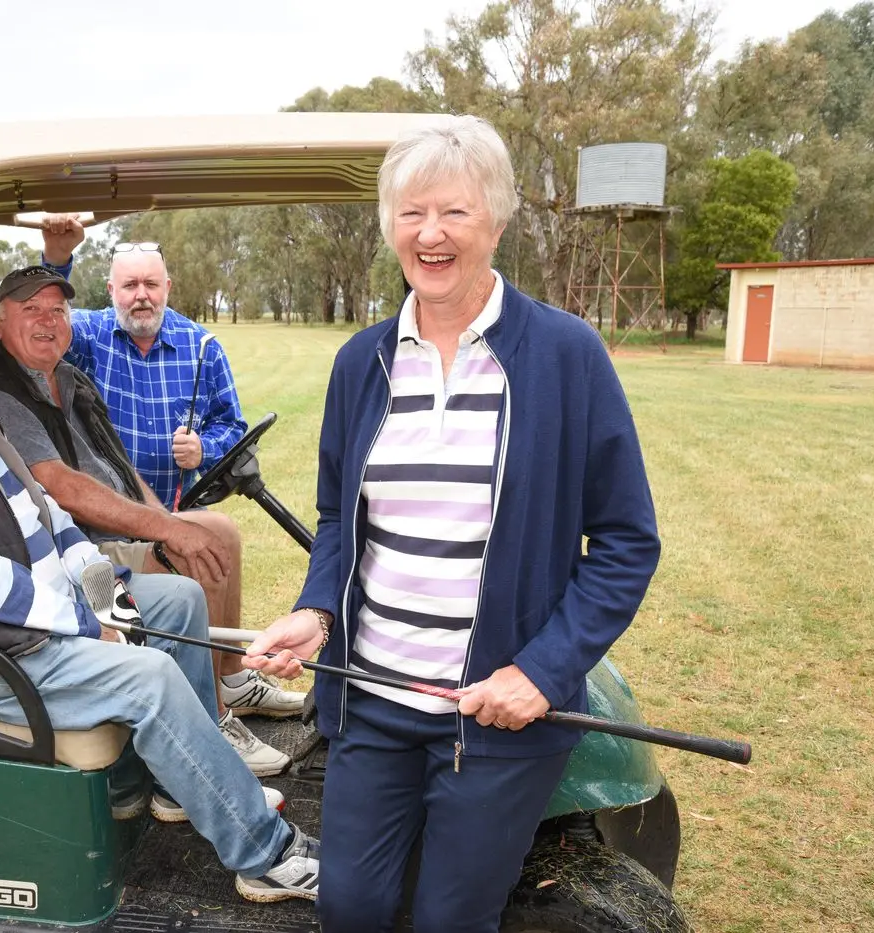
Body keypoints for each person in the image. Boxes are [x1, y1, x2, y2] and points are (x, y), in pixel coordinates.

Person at [242, 116, 661, 932]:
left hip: (494, 721)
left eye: (455, 213)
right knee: (352, 905)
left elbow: (624, 542)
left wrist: (541, 672)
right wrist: (317, 608)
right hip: (373, 698)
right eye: (412, 213)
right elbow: (339, 517)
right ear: (391, 227)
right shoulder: (360, 361)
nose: (430, 233)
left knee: (449, 917)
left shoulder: (566, 355)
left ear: (496, 222)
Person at [0, 276, 319, 903]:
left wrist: (102, 588)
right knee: (149, 676)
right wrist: (88, 623)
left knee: (177, 600)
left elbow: (48, 520)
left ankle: (183, 784)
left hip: (7, 633)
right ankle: (264, 854)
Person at [0, 266, 304, 778]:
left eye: (56, 310)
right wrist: (166, 531)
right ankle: (208, 722)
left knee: (215, 531)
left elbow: (117, 466)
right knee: (193, 550)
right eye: (30, 310)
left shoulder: (68, 377)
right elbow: (59, 485)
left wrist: (166, 519)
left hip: (111, 531)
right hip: (75, 548)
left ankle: (230, 679)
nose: (47, 321)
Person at [40, 222, 246, 508]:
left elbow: (231, 425)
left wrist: (203, 449)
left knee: (221, 543)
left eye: (151, 284)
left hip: (177, 512)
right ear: (111, 290)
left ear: (167, 287)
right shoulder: (90, 336)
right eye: (129, 285)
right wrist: (56, 259)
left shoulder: (203, 347)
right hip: (104, 515)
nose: (141, 295)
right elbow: (47, 327)